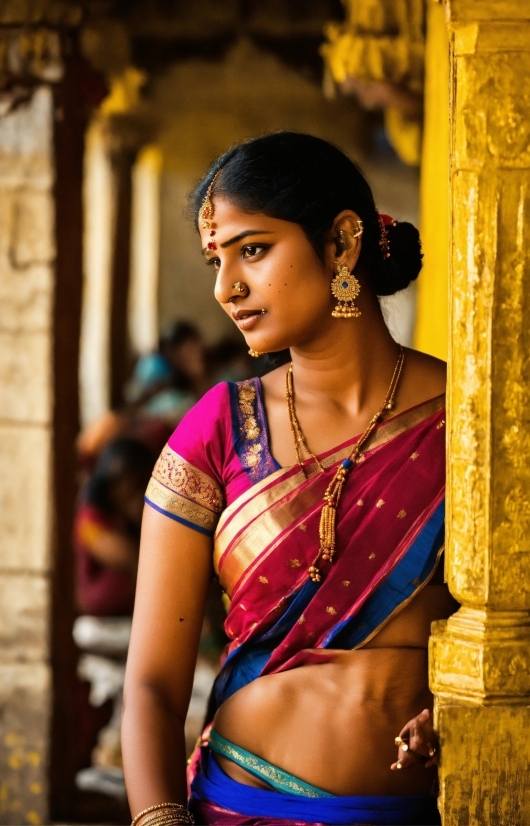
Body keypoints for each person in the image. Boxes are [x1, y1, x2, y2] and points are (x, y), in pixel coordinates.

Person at [122, 132, 457, 826]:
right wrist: (159, 818)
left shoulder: (472, 421)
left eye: (253, 249)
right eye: (217, 259)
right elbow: (153, 685)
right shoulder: (218, 429)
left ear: (340, 244)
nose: (226, 288)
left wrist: (466, 713)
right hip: (238, 804)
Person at [75, 437, 156, 617]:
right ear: (114, 484)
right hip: (99, 624)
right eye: (135, 485)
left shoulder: (122, 517)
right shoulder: (89, 520)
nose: (143, 493)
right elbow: (133, 560)